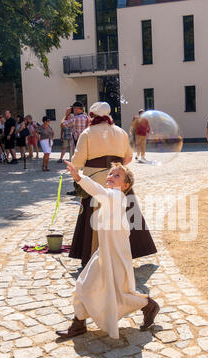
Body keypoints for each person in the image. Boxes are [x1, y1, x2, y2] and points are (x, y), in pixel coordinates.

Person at [56, 161, 160, 339]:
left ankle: (148, 304)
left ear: (125, 185)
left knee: (117, 294)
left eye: (117, 175)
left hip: (115, 256)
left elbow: (97, 190)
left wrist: (79, 177)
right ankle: (79, 323)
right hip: (105, 253)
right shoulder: (113, 197)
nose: (111, 176)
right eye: (110, 174)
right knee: (85, 285)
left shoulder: (115, 196)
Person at [69, 101, 157, 268]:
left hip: (94, 181)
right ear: (108, 116)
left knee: (93, 221)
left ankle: (93, 255)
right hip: (117, 181)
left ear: (92, 116)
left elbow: (77, 162)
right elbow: (129, 158)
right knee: (128, 216)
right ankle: (126, 253)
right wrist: (115, 169)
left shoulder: (87, 133)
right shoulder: (121, 132)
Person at [61, 101, 89, 194]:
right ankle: (86, 188)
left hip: (76, 145)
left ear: (77, 109)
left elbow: (62, 125)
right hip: (86, 145)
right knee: (86, 167)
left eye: (73, 108)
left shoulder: (74, 118)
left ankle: (77, 189)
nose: (73, 110)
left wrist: (66, 115)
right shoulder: (87, 117)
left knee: (75, 167)